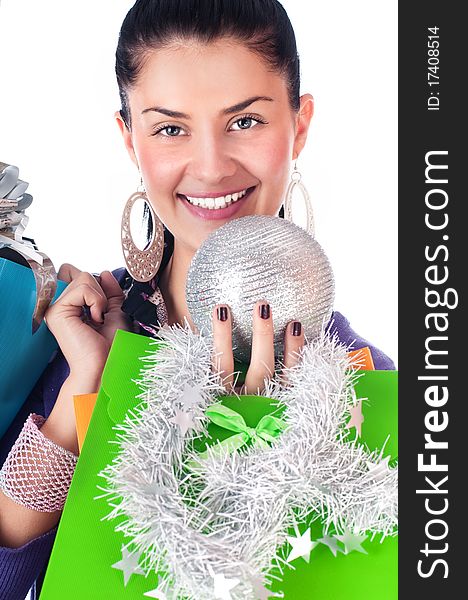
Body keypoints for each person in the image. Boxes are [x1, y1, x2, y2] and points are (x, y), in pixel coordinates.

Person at [0, 1, 394, 598]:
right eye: (170, 128)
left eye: (245, 122)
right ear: (129, 137)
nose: (210, 168)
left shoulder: (365, 380)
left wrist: (273, 441)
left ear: (301, 123)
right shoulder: (68, 337)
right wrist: (85, 394)